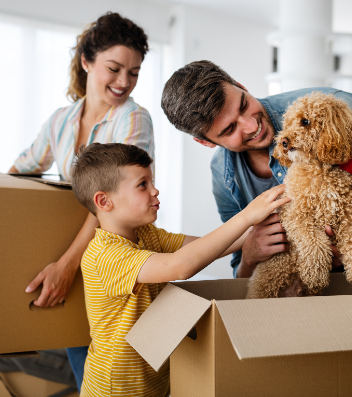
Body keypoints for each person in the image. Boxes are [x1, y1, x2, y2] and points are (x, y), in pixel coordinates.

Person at [161, 60, 352, 280]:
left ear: (239, 84)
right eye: (230, 129)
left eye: (244, 105)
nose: (251, 125)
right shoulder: (223, 176)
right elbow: (240, 275)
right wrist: (248, 255)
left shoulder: (337, 114)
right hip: (320, 301)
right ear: (205, 142)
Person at [70, 143, 288, 397]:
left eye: (152, 181)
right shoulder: (104, 255)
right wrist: (246, 217)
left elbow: (204, 247)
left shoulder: (145, 234)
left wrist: (263, 227)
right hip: (115, 390)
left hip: (155, 381)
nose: (155, 190)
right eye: (143, 184)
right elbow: (181, 266)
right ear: (104, 201)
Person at [8, 12, 153, 389]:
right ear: (87, 62)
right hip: (75, 249)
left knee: (115, 371)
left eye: (134, 72)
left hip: (113, 257)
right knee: (84, 367)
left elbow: (113, 203)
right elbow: (21, 169)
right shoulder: (61, 121)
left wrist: (68, 265)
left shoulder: (133, 120)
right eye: (114, 68)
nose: (124, 82)